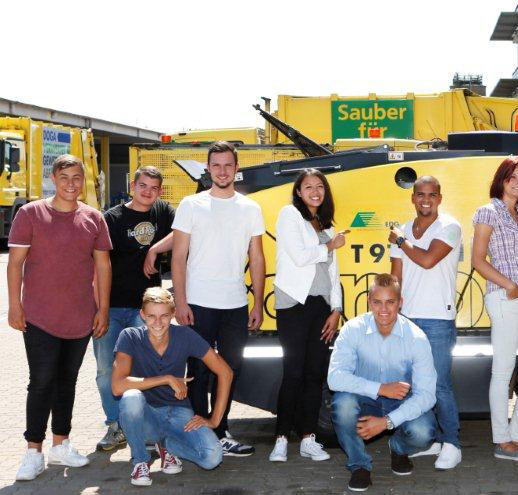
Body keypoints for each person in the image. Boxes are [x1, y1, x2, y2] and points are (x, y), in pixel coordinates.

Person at [8, 154, 112, 481]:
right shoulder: (30, 213)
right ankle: (33, 452)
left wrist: (103, 309)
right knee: (41, 382)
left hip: (80, 317)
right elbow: (15, 263)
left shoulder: (93, 218)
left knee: (67, 382)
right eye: (64, 177)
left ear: (84, 181)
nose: (71, 183)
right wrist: (14, 305)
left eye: (77, 177)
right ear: (53, 179)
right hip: (39, 316)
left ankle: (61, 444)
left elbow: (103, 265)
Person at [172, 141, 266, 456]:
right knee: (198, 370)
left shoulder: (250, 208)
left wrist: (257, 302)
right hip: (198, 303)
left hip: (235, 304)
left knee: (230, 369)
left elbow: (257, 257)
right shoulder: (190, 204)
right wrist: (180, 301)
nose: (222, 171)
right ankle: (200, 433)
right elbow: (178, 256)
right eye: (216, 165)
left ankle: (221, 430)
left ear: (236, 168)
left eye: (228, 165)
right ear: (208, 168)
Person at [328, 274, 437, 492]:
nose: (383, 309)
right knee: (343, 405)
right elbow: (335, 377)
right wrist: (380, 388)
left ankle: (398, 447)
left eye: (390, 302)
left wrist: (387, 422)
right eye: (377, 302)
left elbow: (426, 395)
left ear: (400, 303)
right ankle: (359, 465)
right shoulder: (353, 330)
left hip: (401, 402)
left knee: (423, 432)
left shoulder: (416, 338)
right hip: (365, 400)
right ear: (369, 302)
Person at [471, 156, 518, 461]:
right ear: (501, 180)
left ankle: (516, 434)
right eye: (512, 177)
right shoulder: (488, 211)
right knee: (503, 371)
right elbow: (478, 260)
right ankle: (502, 441)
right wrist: (509, 285)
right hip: (505, 297)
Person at [113, 287, 230, 486]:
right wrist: (166, 379)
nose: (158, 322)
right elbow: (117, 386)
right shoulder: (130, 336)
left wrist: (215, 420)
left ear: (173, 314)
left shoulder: (184, 335)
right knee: (131, 397)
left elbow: (225, 372)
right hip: (146, 416)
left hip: (178, 412)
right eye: (151, 316)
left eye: (164, 316)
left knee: (212, 458)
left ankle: (168, 446)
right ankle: (140, 460)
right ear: (142, 315)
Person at [95, 166, 175, 451]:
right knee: (107, 370)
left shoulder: (163, 212)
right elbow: (99, 265)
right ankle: (116, 426)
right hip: (113, 307)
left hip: (147, 310)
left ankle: (147, 429)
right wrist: (100, 309)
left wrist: (155, 249)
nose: (148, 192)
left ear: (160, 191)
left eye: (154, 188)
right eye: (143, 186)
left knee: (148, 368)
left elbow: (184, 233)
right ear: (133, 186)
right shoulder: (112, 218)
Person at [269, 168, 347, 463]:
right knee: (294, 372)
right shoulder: (289, 215)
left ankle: (308, 439)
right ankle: (280, 440)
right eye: (308, 187)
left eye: (320, 186)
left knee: (315, 374)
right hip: (293, 304)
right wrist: (329, 246)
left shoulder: (327, 226)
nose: (315, 191)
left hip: (321, 306)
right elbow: (300, 256)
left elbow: (333, 273)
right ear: (299, 192)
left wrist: (336, 309)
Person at [388, 175, 462, 470]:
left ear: (440, 198)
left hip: (438, 320)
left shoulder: (449, 226)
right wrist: (392, 309)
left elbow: (428, 260)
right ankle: (430, 441)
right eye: (421, 194)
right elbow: (395, 275)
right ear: (413, 198)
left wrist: (400, 241)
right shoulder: (403, 229)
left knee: (440, 385)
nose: (426, 200)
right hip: (407, 319)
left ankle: (452, 443)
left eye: (432, 194)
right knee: (412, 387)